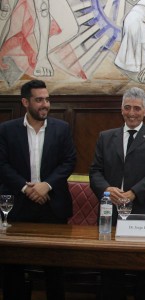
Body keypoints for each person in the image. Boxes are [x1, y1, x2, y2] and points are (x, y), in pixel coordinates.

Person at [89, 86, 145, 300]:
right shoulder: (106, 137)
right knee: (111, 271)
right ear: (121, 109)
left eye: (136, 108)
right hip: (110, 213)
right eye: (127, 108)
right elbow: (95, 171)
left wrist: (133, 193)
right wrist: (106, 189)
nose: (131, 113)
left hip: (144, 212)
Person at [0, 79, 77, 300]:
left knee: (54, 270)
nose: (45, 104)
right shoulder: (6, 130)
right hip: (17, 207)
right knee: (13, 270)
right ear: (25, 102)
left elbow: (69, 161)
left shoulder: (61, 129)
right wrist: (26, 188)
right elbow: (2, 165)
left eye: (47, 99)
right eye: (39, 100)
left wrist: (46, 185)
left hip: (52, 207)